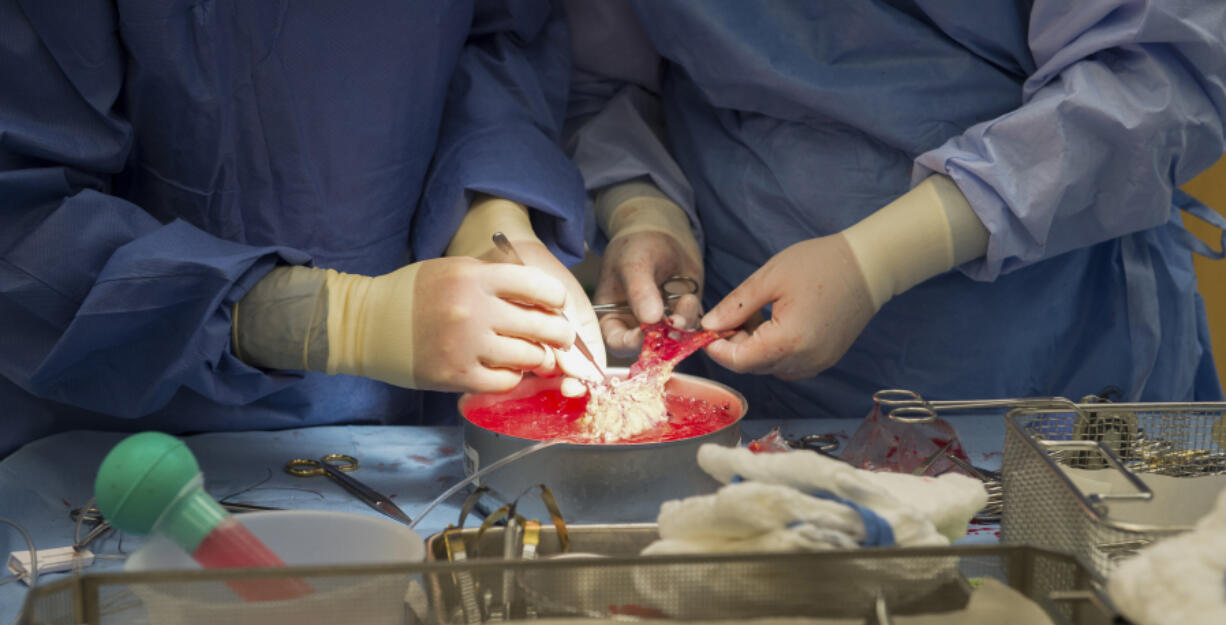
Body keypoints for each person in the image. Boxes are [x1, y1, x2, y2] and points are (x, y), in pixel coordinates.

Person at [564, 0, 1226, 420]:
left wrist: (879, 257)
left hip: (1050, 363)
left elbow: (1156, 79)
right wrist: (642, 205)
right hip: (749, 383)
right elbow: (600, 70)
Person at [0, 0, 604, 460]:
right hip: (123, 442)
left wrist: (491, 210)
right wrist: (329, 318)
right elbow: (21, 220)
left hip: (415, 435)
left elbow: (500, 36)